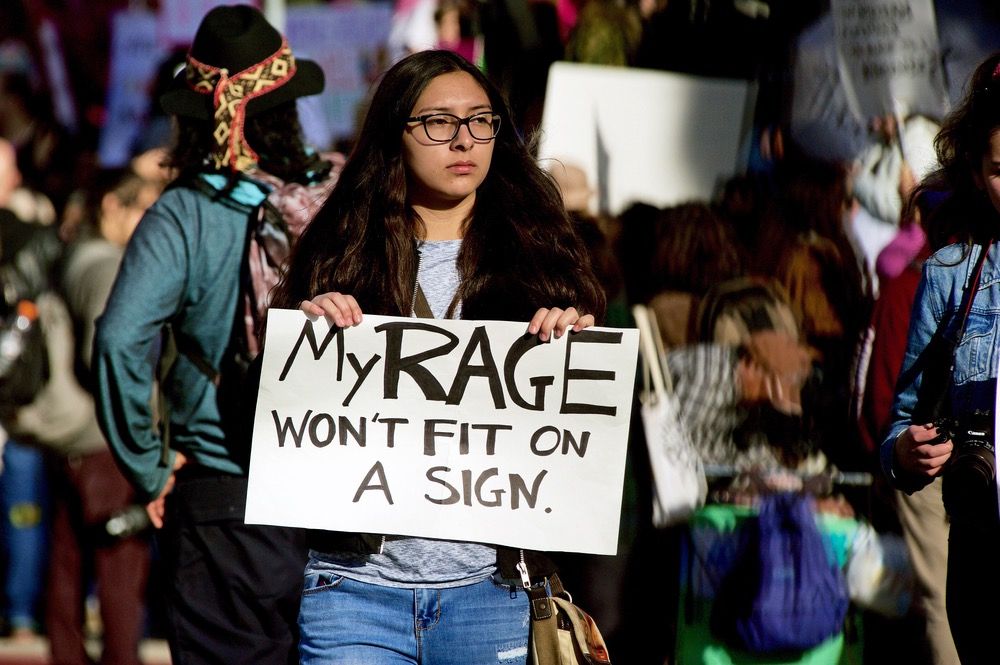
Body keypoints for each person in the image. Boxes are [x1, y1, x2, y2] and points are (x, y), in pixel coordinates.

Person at [270, 49, 605, 664]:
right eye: (438, 123)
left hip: (491, 593)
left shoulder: (539, 256)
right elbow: (284, 417)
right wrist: (307, 330)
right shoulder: (340, 252)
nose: (463, 140)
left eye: (481, 121)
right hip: (353, 591)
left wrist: (571, 336)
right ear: (395, 133)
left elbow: (576, 436)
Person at [92, 6, 337, 664]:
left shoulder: (183, 212)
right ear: (289, 106)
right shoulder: (337, 198)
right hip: (343, 487)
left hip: (228, 494)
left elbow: (119, 339)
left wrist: (148, 467)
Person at [882, 51, 1000, 665]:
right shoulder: (952, 274)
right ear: (979, 173)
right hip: (982, 557)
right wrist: (909, 449)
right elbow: (902, 423)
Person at [46, 167, 162, 665]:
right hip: (107, 441)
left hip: (72, 436)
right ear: (113, 205)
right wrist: (145, 426)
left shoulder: (73, 256)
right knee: (120, 568)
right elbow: (108, 357)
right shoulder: (108, 265)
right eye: (142, 211)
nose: (150, 225)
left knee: (68, 564)